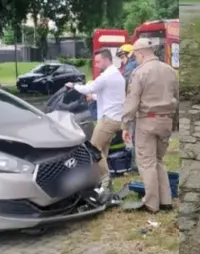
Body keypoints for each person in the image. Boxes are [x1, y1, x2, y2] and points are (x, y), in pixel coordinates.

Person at [120, 38, 179, 213]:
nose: (135, 59)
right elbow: (177, 96)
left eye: (135, 56)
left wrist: (125, 125)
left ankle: (151, 203)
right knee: (158, 161)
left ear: (140, 53)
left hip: (147, 121)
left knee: (146, 162)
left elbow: (132, 101)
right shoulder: (170, 70)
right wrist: (175, 121)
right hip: (166, 120)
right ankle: (166, 200)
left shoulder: (139, 72)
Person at [66, 48, 126, 188]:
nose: (97, 64)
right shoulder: (117, 74)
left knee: (93, 149)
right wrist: (92, 97)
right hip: (117, 117)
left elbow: (88, 88)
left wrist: (73, 85)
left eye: (98, 61)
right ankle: (99, 180)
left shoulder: (106, 76)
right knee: (103, 149)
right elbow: (105, 95)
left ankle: (105, 179)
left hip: (108, 119)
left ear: (106, 60)